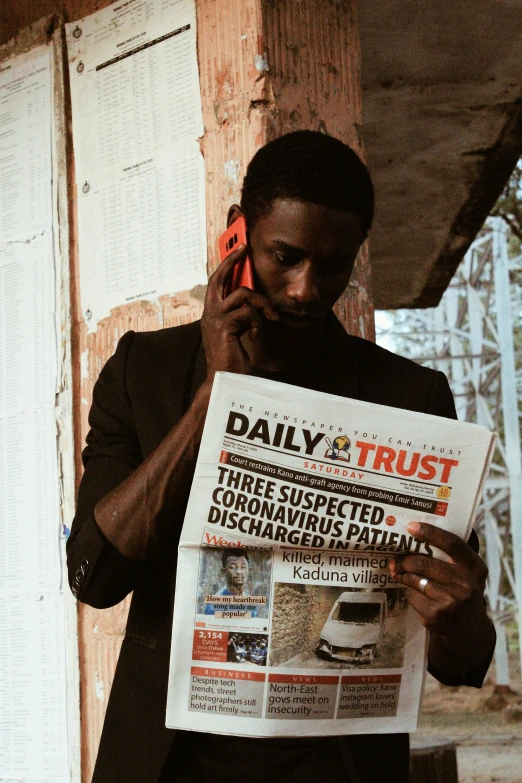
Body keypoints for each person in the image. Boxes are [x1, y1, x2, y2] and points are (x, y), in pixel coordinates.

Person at [68, 130, 495, 783]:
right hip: (170, 762)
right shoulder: (142, 372)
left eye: (332, 265)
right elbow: (93, 577)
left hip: (339, 766)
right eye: (284, 256)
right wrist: (213, 403)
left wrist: (461, 612)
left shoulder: (411, 397)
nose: (305, 288)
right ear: (239, 237)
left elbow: (461, 663)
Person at [204, 549, 259, 617]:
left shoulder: (250, 601)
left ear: (249, 570)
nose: (239, 572)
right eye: (232, 567)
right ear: (224, 571)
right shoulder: (214, 605)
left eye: (243, 567)